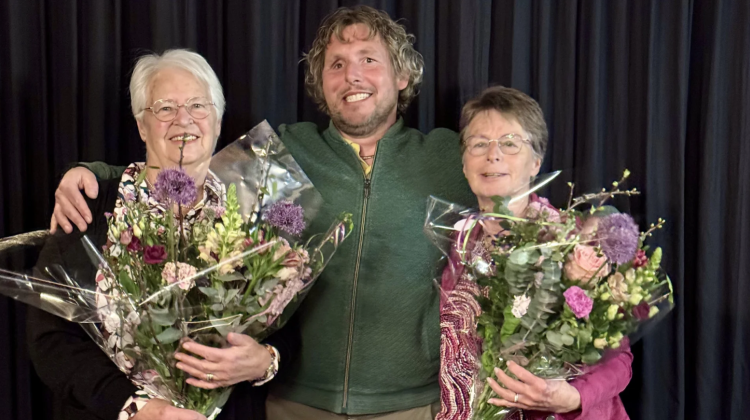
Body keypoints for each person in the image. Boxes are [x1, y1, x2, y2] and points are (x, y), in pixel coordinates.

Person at [47, 6, 476, 419]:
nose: (353, 76)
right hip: (295, 402)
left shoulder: (450, 158)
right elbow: (178, 169)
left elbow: (515, 195)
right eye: (336, 64)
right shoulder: (280, 153)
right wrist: (91, 174)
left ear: (402, 75)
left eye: (369, 59)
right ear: (321, 83)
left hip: (412, 405)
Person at [27, 49, 288, 420]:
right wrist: (135, 407)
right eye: (165, 108)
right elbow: (50, 339)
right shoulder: (92, 203)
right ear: (141, 125)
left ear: (217, 119)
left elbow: (290, 322)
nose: (184, 120)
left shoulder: (254, 209)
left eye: (199, 105)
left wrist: (266, 361)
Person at [437, 86, 633, 420]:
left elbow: (619, 360)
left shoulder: (573, 241)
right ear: (465, 162)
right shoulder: (459, 241)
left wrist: (573, 396)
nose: (493, 155)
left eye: (510, 143)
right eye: (479, 144)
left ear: (536, 162)